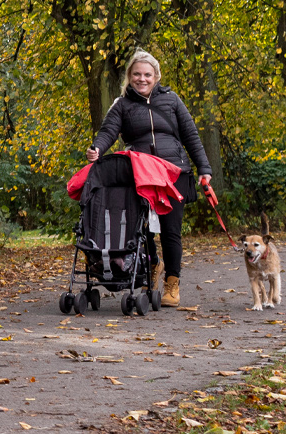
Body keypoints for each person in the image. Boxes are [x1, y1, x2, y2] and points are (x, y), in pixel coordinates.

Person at [87, 50, 214, 307]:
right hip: (140, 174)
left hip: (172, 173)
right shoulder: (121, 105)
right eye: (136, 74)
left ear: (156, 76)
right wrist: (97, 148)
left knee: (170, 231)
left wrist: (204, 168)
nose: (141, 79)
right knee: (141, 229)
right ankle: (151, 265)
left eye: (147, 74)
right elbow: (108, 130)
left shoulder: (172, 100)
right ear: (129, 77)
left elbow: (190, 135)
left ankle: (172, 283)